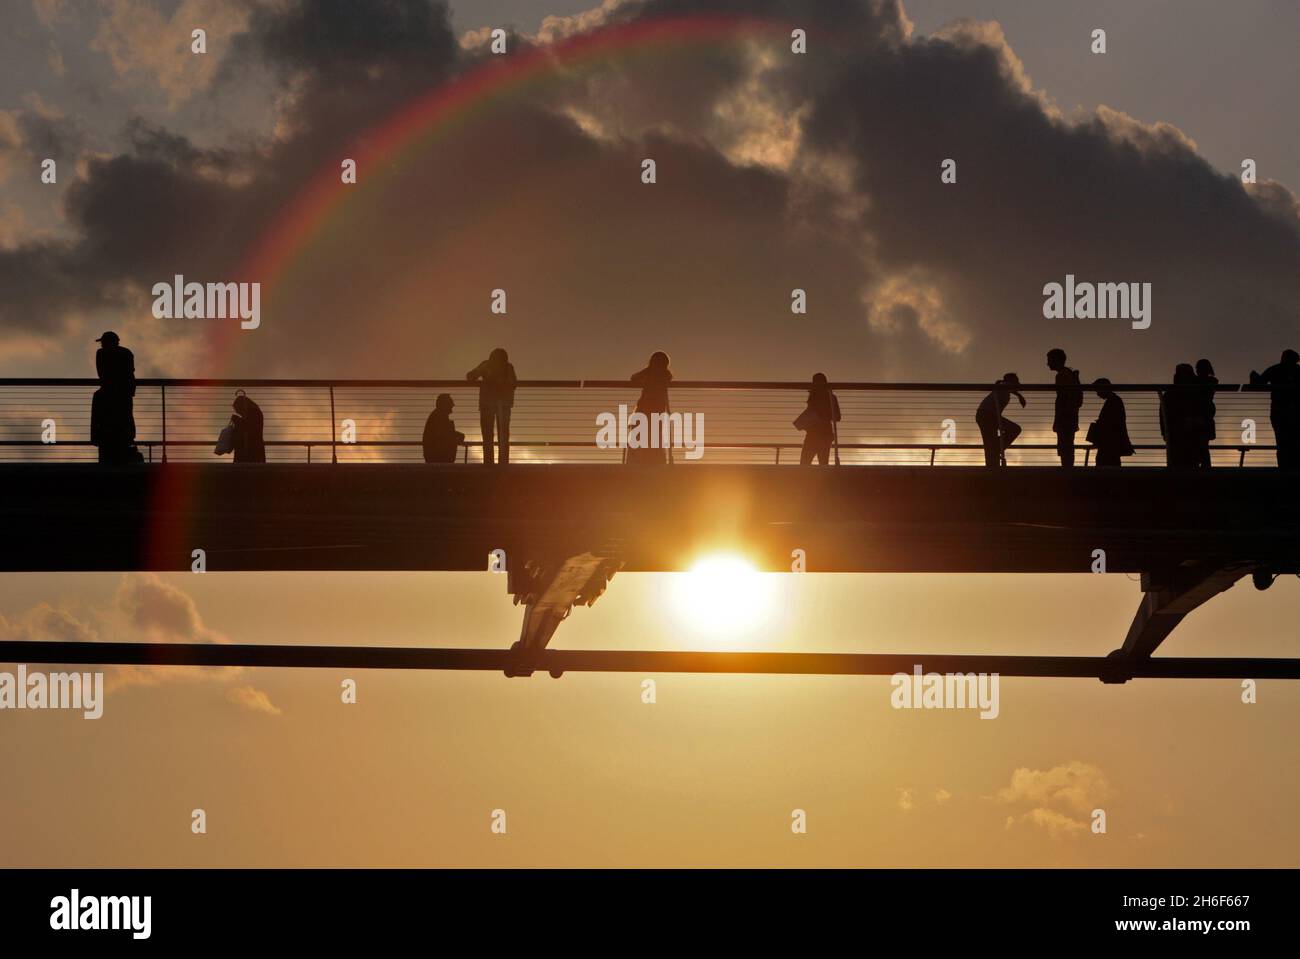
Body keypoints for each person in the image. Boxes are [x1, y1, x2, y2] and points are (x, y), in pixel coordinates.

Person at [90, 331, 137, 464]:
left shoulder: (101, 354)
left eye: (103, 342)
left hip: (111, 392)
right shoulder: (127, 353)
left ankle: (98, 438)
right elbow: (130, 373)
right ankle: (126, 439)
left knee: (104, 416)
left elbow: (101, 374)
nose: (102, 345)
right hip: (124, 393)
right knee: (126, 417)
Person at [1249, 349, 1300, 468]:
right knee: (1295, 441)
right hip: (1295, 411)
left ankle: (1283, 468)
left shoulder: (1275, 369)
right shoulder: (1298, 371)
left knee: (1282, 441)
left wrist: (1253, 375)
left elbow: (1259, 383)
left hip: (1279, 410)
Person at [466, 348, 517, 465]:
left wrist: (492, 378)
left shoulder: (506, 367)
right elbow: (470, 376)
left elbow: (513, 383)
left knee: (495, 435)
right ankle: (497, 463)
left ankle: (494, 463)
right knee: (498, 435)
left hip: (497, 405)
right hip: (496, 405)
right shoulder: (499, 366)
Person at [628, 351, 673, 465]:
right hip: (658, 410)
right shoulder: (666, 375)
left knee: (639, 437)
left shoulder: (648, 372)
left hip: (644, 408)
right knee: (655, 437)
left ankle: (637, 462)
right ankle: (656, 462)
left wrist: (646, 378)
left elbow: (633, 378)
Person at [976, 373, 1025, 467]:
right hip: (987, 415)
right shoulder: (1003, 388)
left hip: (986, 415)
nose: (1018, 384)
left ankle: (994, 456)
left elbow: (1005, 387)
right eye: (1016, 382)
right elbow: (1003, 386)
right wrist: (1018, 395)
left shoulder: (1004, 389)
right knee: (1015, 429)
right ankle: (995, 450)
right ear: (1011, 382)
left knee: (990, 441)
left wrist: (1018, 395)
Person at [1046, 348, 1083, 467]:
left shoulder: (1061, 375)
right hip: (1070, 415)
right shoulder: (1069, 374)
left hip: (1065, 416)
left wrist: (1060, 417)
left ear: (1056, 360)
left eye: (1050, 360)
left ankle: (1067, 470)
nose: (1048, 363)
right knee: (1068, 444)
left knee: (1064, 445)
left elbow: (1063, 397)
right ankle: (1068, 468)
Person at [794, 373, 841, 466]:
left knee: (809, 464)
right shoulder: (815, 397)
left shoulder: (829, 397)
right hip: (816, 434)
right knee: (810, 464)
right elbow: (837, 416)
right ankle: (816, 480)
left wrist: (821, 416)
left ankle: (812, 480)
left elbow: (837, 416)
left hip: (821, 435)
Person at [1086, 379, 1134, 466]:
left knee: (1104, 464)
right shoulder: (1114, 400)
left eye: (1097, 390)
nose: (1097, 394)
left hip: (1109, 444)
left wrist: (1100, 426)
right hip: (1110, 443)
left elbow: (1113, 423)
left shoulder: (1113, 401)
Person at [1159, 363, 1199, 467]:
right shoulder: (1192, 393)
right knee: (1190, 464)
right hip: (1186, 434)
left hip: (1174, 434)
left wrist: (1164, 433)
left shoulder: (1169, 393)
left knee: (1176, 463)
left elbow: (1163, 415)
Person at [422, 393, 464, 464]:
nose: (453, 405)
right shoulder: (438, 417)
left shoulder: (437, 416)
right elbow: (444, 435)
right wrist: (457, 437)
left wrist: (457, 435)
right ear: (445, 405)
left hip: (436, 458)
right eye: (451, 403)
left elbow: (446, 433)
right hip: (438, 459)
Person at [1193, 358, 1218, 468]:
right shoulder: (1212, 382)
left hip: (1199, 416)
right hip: (1207, 416)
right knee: (1204, 446)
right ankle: (1206, 468)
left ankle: (1200, 468)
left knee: (1198, 445)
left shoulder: (1195, 382)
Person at [229, 390, 266, 463]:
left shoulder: (254, 412)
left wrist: (237, 420)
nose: (239, 413)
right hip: (252, 450)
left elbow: (250, 429)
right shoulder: (254, 411)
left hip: (250, 451)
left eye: (238, 410)